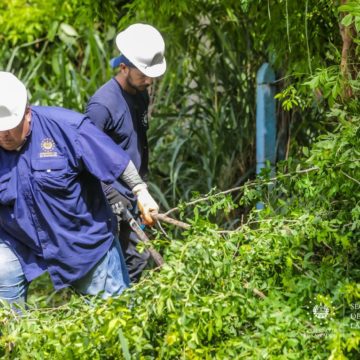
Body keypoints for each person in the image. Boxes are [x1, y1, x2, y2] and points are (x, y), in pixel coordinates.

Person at [0, 71, 159, 306]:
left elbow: (116, 159)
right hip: (18, 240)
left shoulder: (67, 127)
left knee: (116, 316)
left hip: (80, 241)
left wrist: (141, 192)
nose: (3, 135)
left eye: (9, 128)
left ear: (27, 114)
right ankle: (13, 340)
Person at [86, 23, 166, 282]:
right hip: (111, 195)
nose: (149, 80)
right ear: (123, 67)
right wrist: (109, 194)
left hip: (135, 190)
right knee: (121, 260)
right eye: (143, 74)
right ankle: (118, 310)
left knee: (139, 256)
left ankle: (128, 310)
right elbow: (86, 155)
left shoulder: (141, 93)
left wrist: (141, 189)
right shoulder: (102, 106)